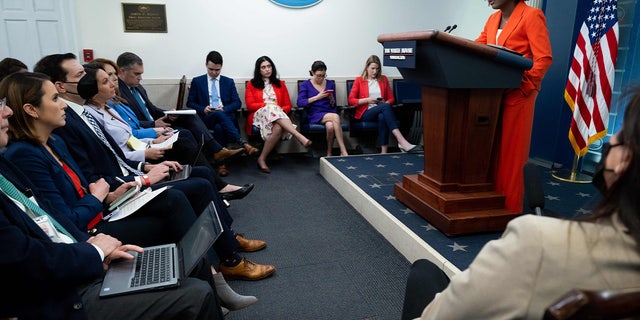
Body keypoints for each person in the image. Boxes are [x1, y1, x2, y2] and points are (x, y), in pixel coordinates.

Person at [1, 71, 260, 313]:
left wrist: (112, 193)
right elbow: (64, 219)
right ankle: (214, 281)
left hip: (101, 209)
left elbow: (90, 183)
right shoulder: (26, 155)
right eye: (56, 98)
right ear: (31, 110)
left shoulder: (54, 142)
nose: (64, 104)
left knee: (188, 190)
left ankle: (215, 277)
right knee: (176, 200)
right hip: (91, 227)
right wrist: (103, 195)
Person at [401, 84, 640, 319]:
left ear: (625, 161)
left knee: (423, 273)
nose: (609, 143)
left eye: (615, 142)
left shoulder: (539, 244)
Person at [33, 54, 275, 281]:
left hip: (130, 173)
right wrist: (142, 176)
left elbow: (115, 153)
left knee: (199, 171)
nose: (88, 80)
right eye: (80, 76)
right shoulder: (68, 123)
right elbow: (95, 175)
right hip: (118, 192)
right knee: (191, 186)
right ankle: (227, 259)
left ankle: (227, 240)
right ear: (60, 86)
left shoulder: (82, 113)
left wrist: (143, 166)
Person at [32, 53, 253, 201]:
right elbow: (106, 161)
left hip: (134, 162)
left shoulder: (99, 108)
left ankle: (219, 173)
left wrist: (144, 157)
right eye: (106, 79)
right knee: (191, 152)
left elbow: (124, 139)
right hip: (127, 173)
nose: (113, 83)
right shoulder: (74, 119)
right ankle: (220, 167)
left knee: (198, 136)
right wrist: (144, 163)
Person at [475, 0, 552, 213]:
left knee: (511, 155)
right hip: (492, 95)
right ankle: (491, 202)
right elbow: (477, 48)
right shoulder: (492, 20)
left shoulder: (531, 15)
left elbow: (543, 58)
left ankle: (509, 209)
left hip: (519, 95)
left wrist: (524, 85)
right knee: (492, 152)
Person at [116, 52, 245, 165]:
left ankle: (216, 153)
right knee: (189, 131)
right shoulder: (117, 93)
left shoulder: (138, 87)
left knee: (191, 116)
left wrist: (168, 113)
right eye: (137, 74)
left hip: (159, 121)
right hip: (147, 128)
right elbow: (127, 124)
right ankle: (222, 149)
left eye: (141, 74)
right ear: (122, 71)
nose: (141, 78)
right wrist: (154, 124)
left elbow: (152, 109)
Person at [187, 50, 259, 176]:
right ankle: (243, 143)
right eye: (211, 69)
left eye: (217, 70)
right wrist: (203, 108)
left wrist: (224, 108)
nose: (214, 73)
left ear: (221, 67)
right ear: (206, 65)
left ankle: (222, 164)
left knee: (219, 127)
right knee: (218, 117)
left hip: (225, 118)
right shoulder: (197, 81)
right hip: (206, 118)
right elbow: (190, 103)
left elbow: (237, 103)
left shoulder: (228, 82)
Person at [245, 55, 312, 173]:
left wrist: (277, 109)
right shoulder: (252, 84)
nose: (267, 69)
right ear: (258, 70)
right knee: (271, 107)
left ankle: (262, 159)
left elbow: (288, 105)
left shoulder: (280, 84)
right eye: (263, 67)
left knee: (278, 127)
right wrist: (268, 106)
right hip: (259, 116)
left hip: (277, 117)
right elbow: (250, 105)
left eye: (269, 66)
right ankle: (298, 135)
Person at [348, 55, 422, 154]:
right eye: (372, 68)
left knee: (383, 116)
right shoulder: (359, 80)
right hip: (366, 113)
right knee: (385, 108)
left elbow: (391, 99)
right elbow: (351, 100)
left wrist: (384, 103)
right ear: (367, 67)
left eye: (377, 69)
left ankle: (384, 152)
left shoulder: (383, 79)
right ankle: (401, 141)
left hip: (380, 110)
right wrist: (367, 100)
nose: (375, 71)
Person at [297, 60, 348, 157]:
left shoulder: (330, 84)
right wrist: (317, 97)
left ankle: (329, 153)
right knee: (335, 117)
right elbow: (300, 102)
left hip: (329, 112)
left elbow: (334, 105)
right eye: (318, 75)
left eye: (323, 75)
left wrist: (332, 100)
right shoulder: (305, 85)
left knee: (330, 127)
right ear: (312, 73)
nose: (321, 78)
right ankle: (343, 150)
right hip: (315, 114)